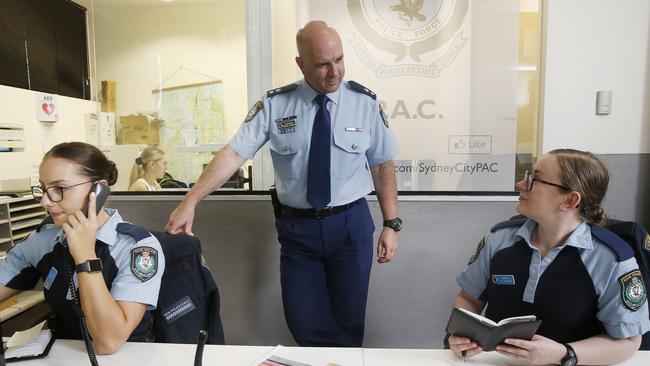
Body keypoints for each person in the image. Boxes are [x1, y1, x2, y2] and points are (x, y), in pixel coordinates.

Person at [165, 20, 401, 347]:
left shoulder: (364, 103)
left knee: (349, 321)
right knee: (303, 319)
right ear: (301, 64)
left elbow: (382, 166)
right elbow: (234, 153)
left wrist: (391, 224)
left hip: (351, 226)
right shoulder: (276, 105)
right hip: (299, 231)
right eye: (322, 64)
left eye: (339, 60)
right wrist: (189, 202)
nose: (334, 72)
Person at [449, 149, 649, 365]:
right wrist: (461, 335)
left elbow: (628, 341)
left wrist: (564, 354)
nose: (520, 184)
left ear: (570, 200)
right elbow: (468, 299)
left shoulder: (612, 258)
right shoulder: (499, 239)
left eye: (534, 179)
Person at [0, 142, 165, 354]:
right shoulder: (44, 241)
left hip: (127, 357)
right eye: (43, 189)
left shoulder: (138, 248)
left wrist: (85, 256)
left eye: (59, 189)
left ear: (99, 190)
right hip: (65, 354)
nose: (44, 202)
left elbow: (108, 343)